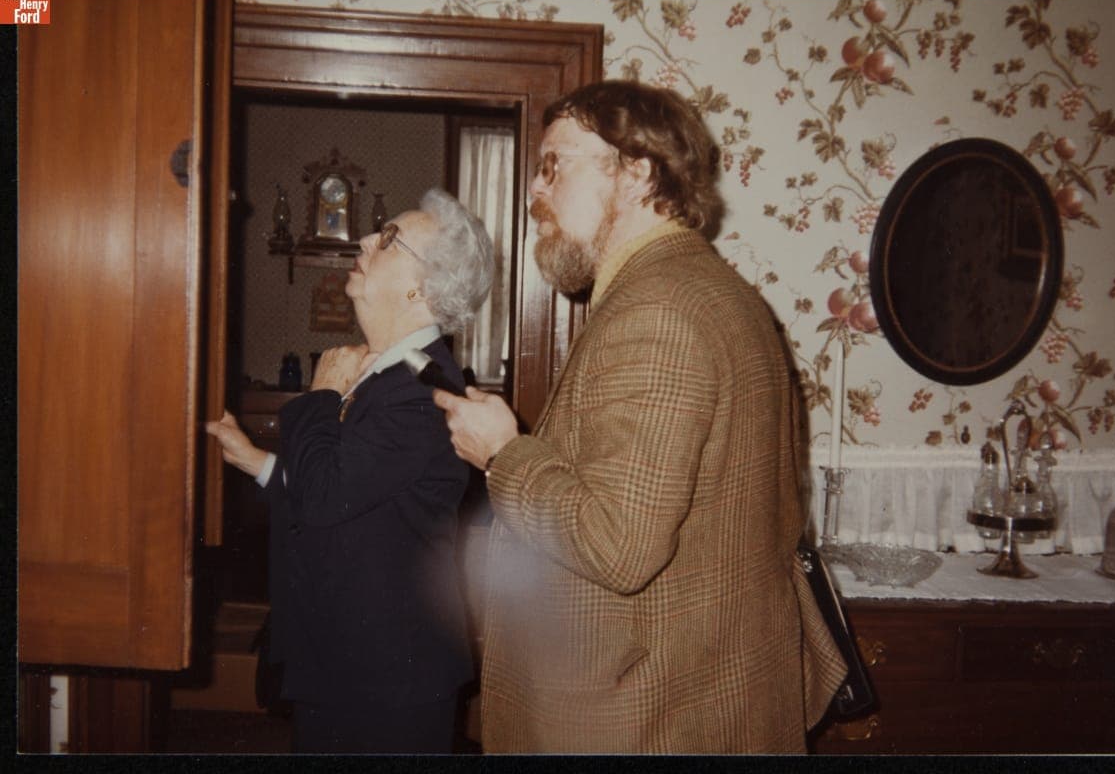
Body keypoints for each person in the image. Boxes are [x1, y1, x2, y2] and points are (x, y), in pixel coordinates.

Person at [433, 81, 848, 753]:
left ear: (635, 173)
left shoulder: (658, 310)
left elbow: (617, 546)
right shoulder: (712, 292)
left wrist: (502, 454)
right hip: (698, 691)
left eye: (554, 163)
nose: (533, 192)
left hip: (646, 718)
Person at [205, 188, 493, 753]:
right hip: (356, 661)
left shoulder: (421, 391)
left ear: (420, 287)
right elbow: (353, 493)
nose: (364, 238)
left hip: (385, 678)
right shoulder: (400, 369)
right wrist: (259, 463)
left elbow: (323, 495)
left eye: (388, 239)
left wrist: (318, 397)